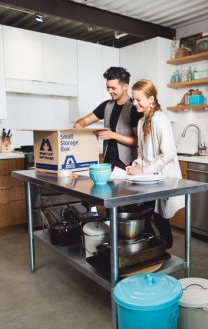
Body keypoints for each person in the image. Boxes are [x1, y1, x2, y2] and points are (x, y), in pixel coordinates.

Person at [126, 79, 184, 249]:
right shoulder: (141, 121)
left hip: (162, 179)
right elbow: (142, 153)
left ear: (151, 99)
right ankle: (154, 247)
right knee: (148, 216)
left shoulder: (160, 119)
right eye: (133, 99)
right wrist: (135, 165)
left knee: (157, 217)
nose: (134, 103)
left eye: (138, 100)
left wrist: (143, 170)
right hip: (150, 178)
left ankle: (161, 250)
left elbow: (167, 154)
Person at [74, 67, 142, 170]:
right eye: (108, 87)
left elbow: (138, 141)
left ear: (125, 86)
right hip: (107, 163)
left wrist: (113, 135)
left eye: (113, 88)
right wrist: (85, 136)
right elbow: (80, 123)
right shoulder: (106, 106)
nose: (109, 91)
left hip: (127, 166)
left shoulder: (134, 108)